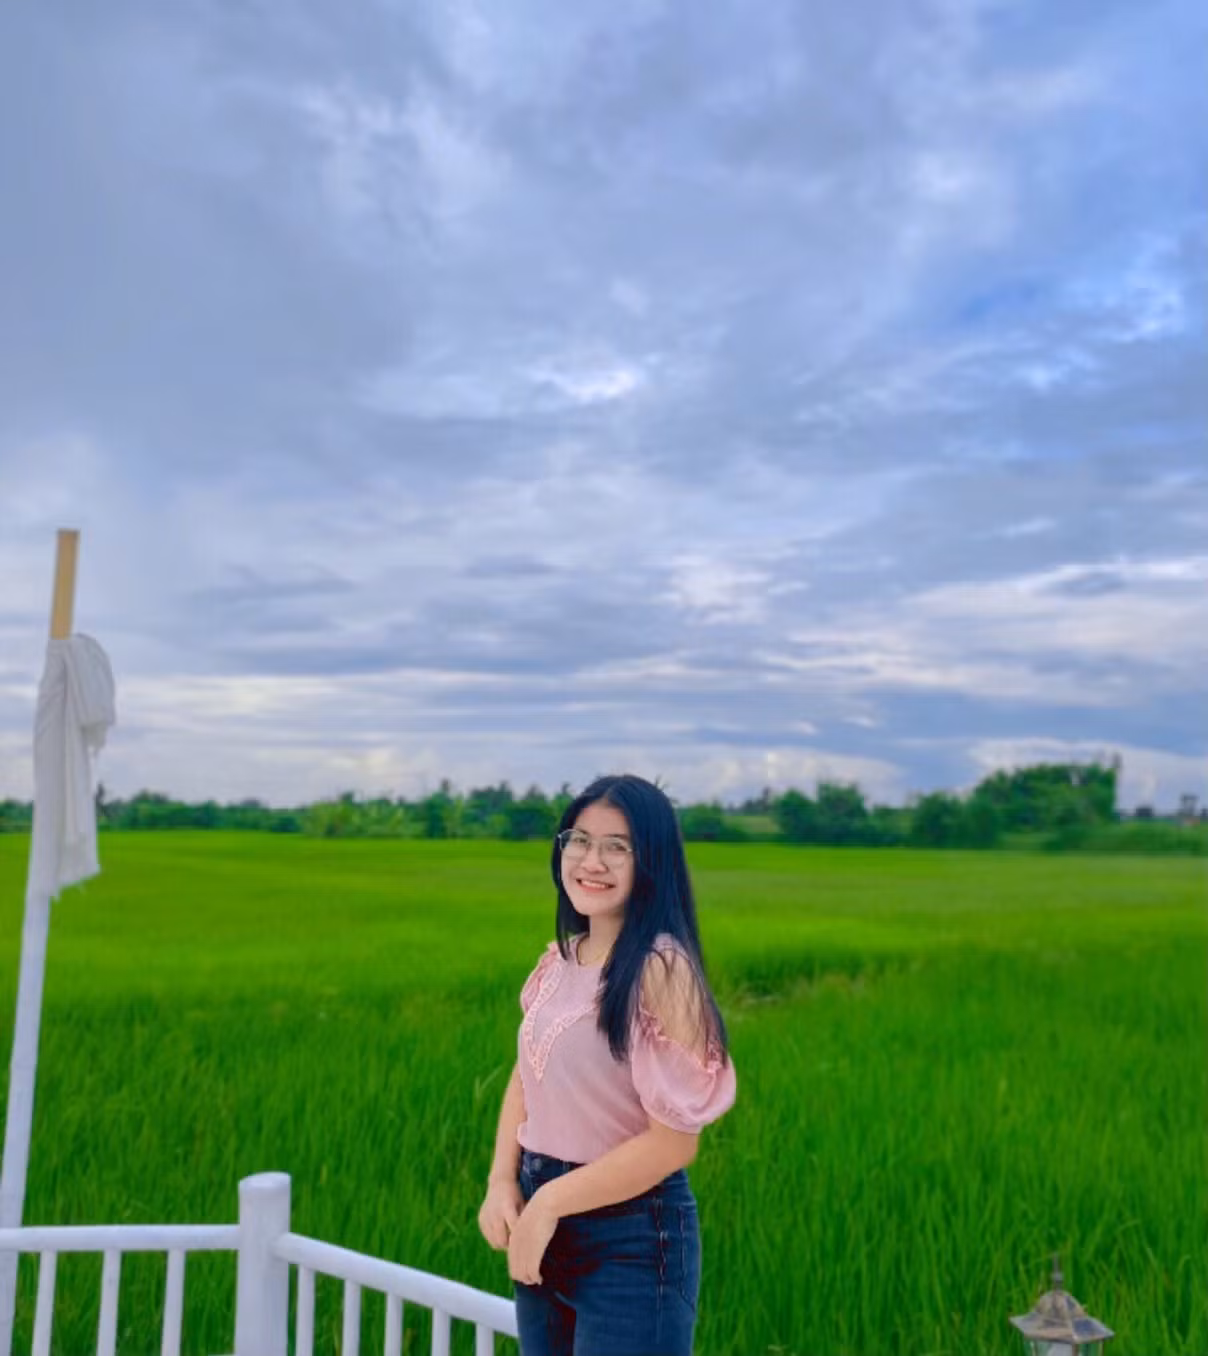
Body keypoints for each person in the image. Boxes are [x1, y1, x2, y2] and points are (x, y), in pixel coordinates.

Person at [477, 773, 737, 1356]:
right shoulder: (560, 962)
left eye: (617, 846)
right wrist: (502, 1181)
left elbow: (674, 1144)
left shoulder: (661, 970)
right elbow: (528, 1075)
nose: (591, 861)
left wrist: (550, 1202)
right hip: (544, 1218)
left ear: (652, 862)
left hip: (630, 1239)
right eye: (579, 840)